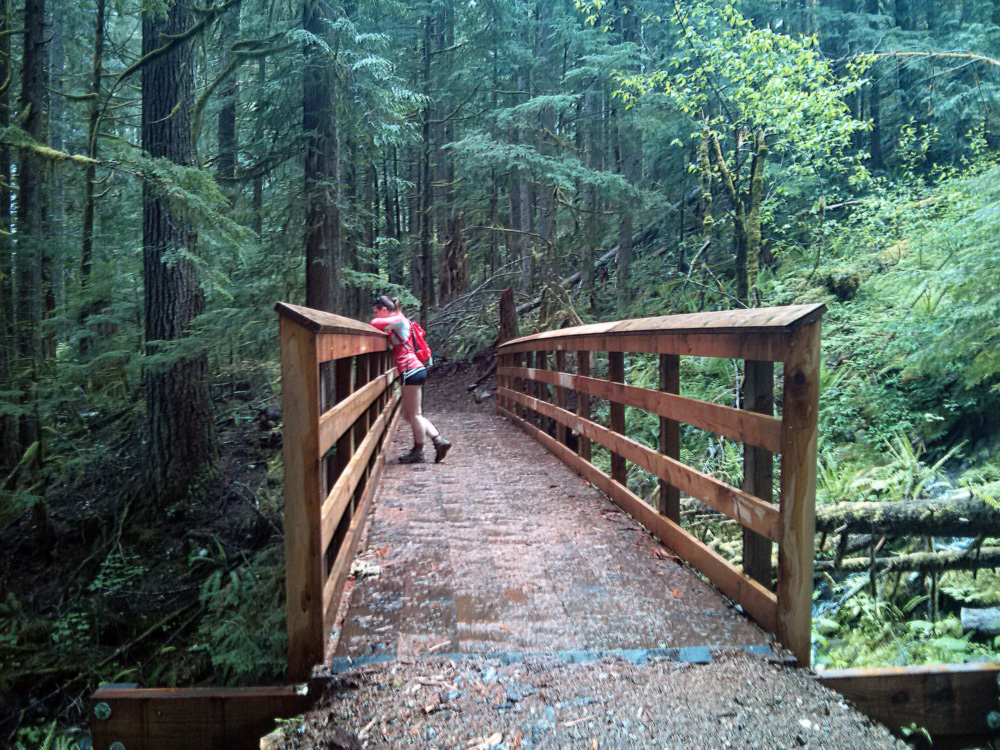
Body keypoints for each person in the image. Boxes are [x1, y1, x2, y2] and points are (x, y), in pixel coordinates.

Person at [370, 295, 451, 464]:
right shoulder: (398, 323)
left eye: (377, 311)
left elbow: (374, 324)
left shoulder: (399, 319)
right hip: (414, 369)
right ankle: (437, 441)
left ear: (384, 309)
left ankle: (421, 450)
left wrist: (380, 320)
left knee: (414, 415)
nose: (375, 315)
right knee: (410, 415)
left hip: (410, 369)